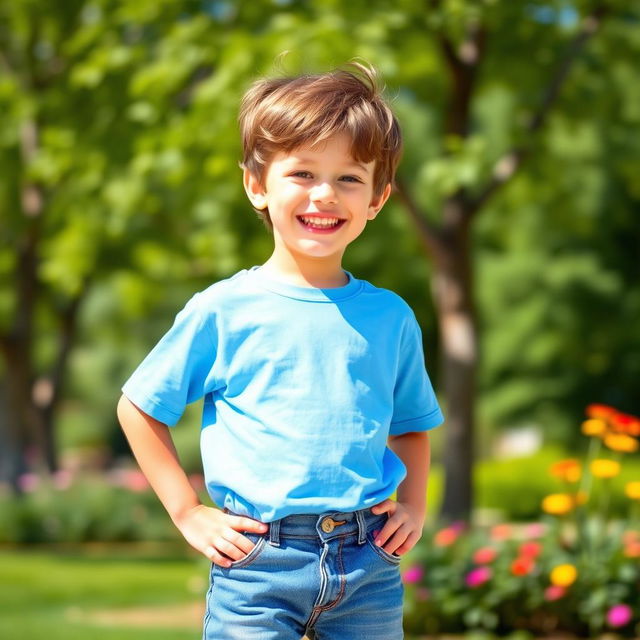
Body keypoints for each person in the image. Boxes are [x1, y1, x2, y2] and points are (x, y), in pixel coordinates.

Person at [117, 61, 444, 640]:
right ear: (256, 186)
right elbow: (140, 407)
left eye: (349, 178)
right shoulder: (223, 309)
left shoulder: (391, 317)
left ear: (378, 198)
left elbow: (412, 425)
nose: (325, 194)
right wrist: (187, 511)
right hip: (257, 566)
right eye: (302, 173)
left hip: (369, 562)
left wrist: (414, 506)